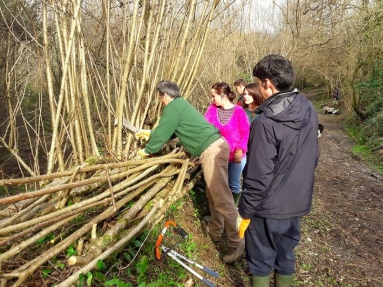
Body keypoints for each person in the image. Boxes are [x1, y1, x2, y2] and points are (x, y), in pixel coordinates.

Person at [135, 80, 244, 263]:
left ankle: (238, 243)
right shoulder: (181, 105)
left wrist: (146, 150)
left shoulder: (173, 107)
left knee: (222, 197)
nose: (161, 101)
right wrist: (149, 133)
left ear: (166, 95)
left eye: (160, 97)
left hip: (211, 150)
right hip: (216, 147)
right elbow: (170, 131)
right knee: (213, 194)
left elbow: (163, 134)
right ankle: (216, 231)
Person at [237, 54, 319, 287]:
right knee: (286, 254)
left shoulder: (265, 122)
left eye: (258, 83)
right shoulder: (308, 109)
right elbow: (314, 156)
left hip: (267, 209)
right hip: (296, 203)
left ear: (267, 83)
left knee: (261, 261)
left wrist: (245, 212)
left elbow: (257, 176)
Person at [204, 82, 250, 205]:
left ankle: (233, 211)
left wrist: (240, 149)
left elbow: (246, 132)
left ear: (223, 96)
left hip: (235, 156)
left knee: (233, 184)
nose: (212, 99)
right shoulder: (212, 109)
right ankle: (220, 213)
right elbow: (204, 128)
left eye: (214, 96)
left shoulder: (239, 111)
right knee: (219, 185)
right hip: (218, 155)